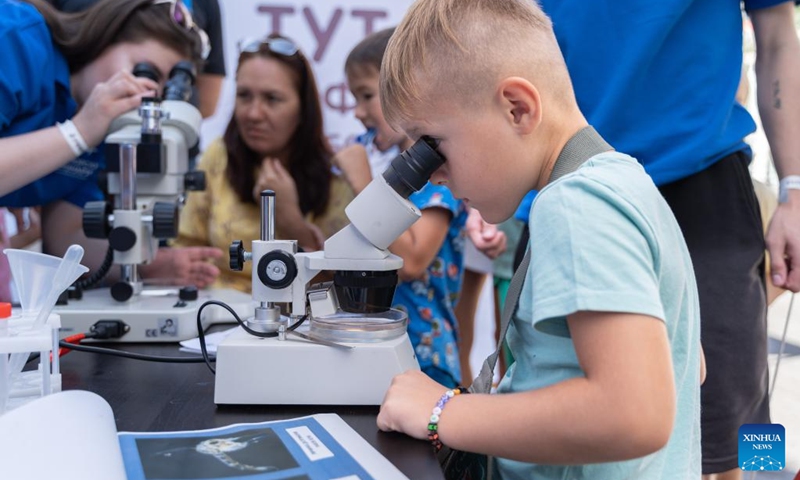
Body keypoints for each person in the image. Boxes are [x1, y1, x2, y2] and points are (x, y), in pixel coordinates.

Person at [376, 1, 702, 478]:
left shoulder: (575, 205)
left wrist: (443, 411)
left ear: (517, 108)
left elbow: (637, 413)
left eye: (433, 147)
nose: (433, 176)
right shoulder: (627, 183)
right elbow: (686, 363)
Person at [531, 2, 800, 478]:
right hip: (566, 186)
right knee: (558, 420)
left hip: (704, 177)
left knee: (739, 421)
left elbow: (779, 34)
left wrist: (795, 190)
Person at [0, 0, 222, 289]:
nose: (147, 96)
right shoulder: (17, 37)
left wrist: (150, 264)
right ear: (105, 37)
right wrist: (78, 133)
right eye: (146, 73)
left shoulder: (105, 134)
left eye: (162, 92)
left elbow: (65, 244)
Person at [173, 34, 361, 293]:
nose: (253, 114)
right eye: (244, 96)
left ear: (302, 108)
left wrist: (293, 223)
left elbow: (337, 286)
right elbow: (186, 247)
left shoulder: (335, 174)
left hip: (295, 324)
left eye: (272, 99)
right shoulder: (219, 155)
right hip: (217, 316)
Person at [345, 27, 470, 388]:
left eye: (367, 96)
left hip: (425, 356)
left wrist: (362, 182)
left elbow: (413, 262)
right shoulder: (389, 173)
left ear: (404, 92)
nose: (356, 112)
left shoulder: (438, 176)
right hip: (382, 346)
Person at [49, 0, 225, 119]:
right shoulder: (29, 41)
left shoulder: (206, 4)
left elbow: (209, 101)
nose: (148, 95)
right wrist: (82, 131)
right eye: (146, 71)